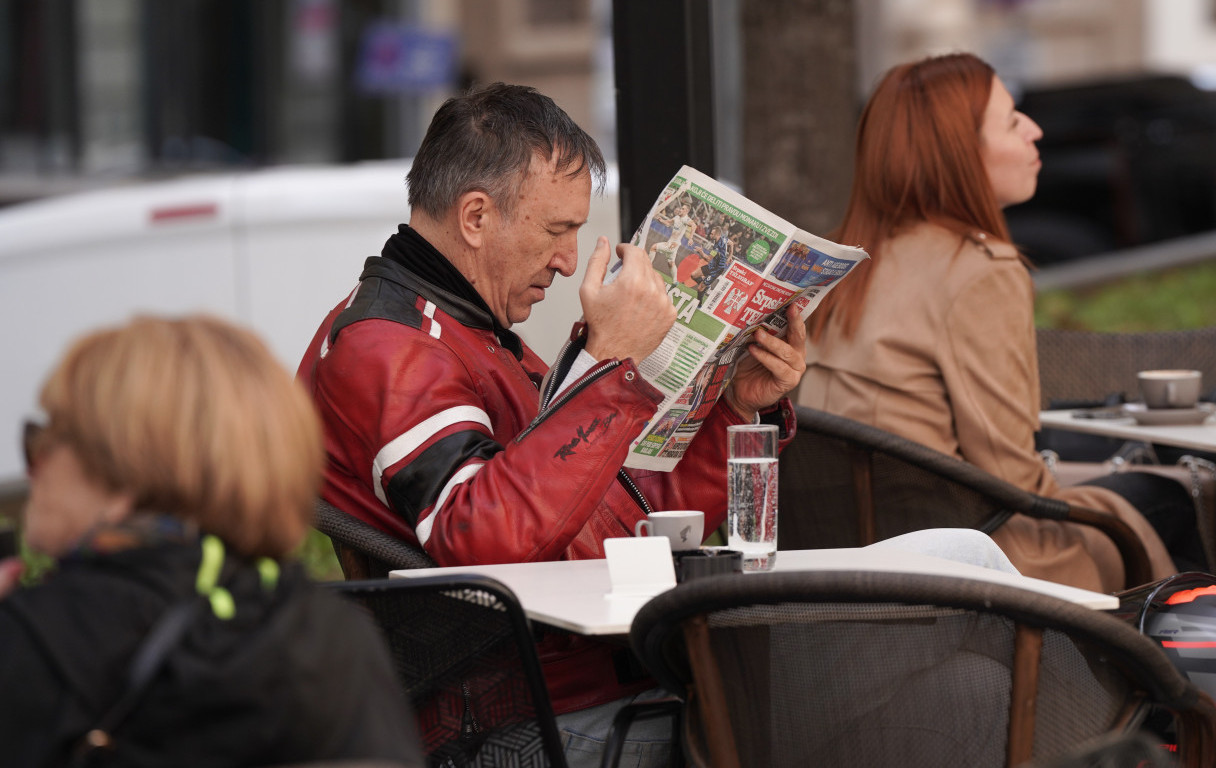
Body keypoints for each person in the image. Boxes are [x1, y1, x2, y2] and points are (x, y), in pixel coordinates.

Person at [297, 82, 1018, 768]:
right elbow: (480, 542)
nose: (568, 259)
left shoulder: (466, 335)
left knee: (969, 625)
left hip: (622, 666)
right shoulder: (388, 348)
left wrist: (739, 404)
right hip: (558, 713)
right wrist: (610, 367)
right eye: (557, 230)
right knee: (971, 599)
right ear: (477, 216)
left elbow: (635, 510)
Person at [799, 53, 1198, 594]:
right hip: (974, 557)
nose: (1035, 130)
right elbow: (1012, 478)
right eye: (1012, 121)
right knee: (1170, 498)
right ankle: (1188, 668)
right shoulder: (979, 271)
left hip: (858, 547)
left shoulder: (849, 266)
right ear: (961, 154)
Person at [0, 315, 421, 767]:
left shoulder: (35, 642)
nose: (33, 469)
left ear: (122, 475)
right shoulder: (337, 639)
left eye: (44, 441)